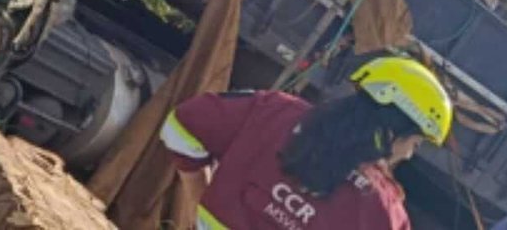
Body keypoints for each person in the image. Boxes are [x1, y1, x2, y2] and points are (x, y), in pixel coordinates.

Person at [161, 55, 453, 229]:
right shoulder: (382, 210)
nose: (410, 154)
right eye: (415, 142)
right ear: (394, 129)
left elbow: (182, 126)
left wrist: (200, 195)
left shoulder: (274, 112)